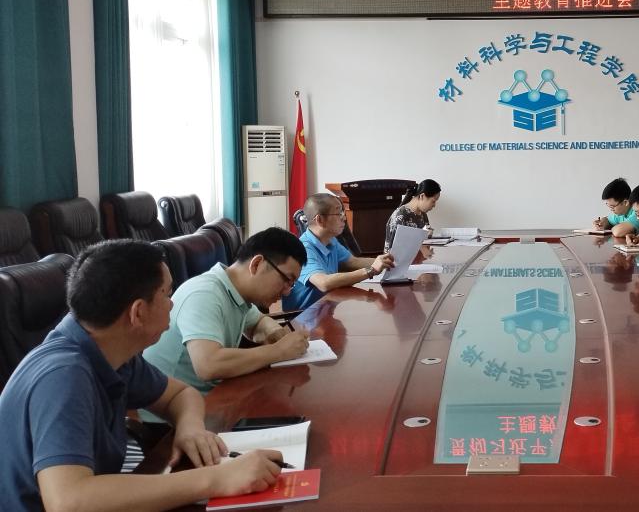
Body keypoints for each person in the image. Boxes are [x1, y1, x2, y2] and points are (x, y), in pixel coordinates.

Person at [0, 240, 283, 512]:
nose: (172, 304)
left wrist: (190, 428)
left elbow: (181, 394)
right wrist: (217, 479)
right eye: (167, 294)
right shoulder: (64, 376)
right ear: (137, 312)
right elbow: (69, 502)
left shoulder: (110, 350)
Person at [142, 227, 312, 396]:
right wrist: (279, 351)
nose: (287, 291)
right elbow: (208, 365)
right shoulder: (204, 294)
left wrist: (273, 332)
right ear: (257, 264)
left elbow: (259, 321)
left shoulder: (236, 291)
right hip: (171, 408)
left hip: (208, 397)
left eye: (291, 284)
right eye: (287, 280)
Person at [282, 193, 395, 311]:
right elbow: (324, 283)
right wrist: (371, 271)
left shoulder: (330, 240)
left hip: (325, 309)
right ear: (320, 220)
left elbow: (352, 262)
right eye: (338, 213)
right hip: (303, 316)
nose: (344, 218)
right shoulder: (303, 249)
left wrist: (386, 261)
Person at [384, 179, 440, 251]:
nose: (434, 205)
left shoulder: (423, 214)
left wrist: (428, 237)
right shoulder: (400, 216)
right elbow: (393, 250)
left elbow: (423, 241)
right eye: (433, 201)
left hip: (417, 256)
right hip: (399, 257)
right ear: (422, 196)